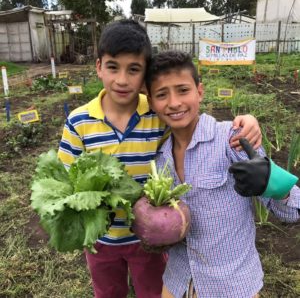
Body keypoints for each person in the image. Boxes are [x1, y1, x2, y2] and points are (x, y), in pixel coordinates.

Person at [57, 20, 263, 298]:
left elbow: (192, 123)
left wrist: (247, 121)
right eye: (113, 67)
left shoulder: (156, 114)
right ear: (98, 67)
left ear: (143, 81)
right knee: (107, 292)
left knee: (152, 291)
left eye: (133, 70)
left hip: (151, 236)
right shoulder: (78, 120)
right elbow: (66, 179)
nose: (122, 79)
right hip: (101, 238)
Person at [145, 50, 300, 298]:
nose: (174, 103)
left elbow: (292, 211)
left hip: (232, 285)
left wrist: (271, 182)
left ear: (200, 91)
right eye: (162, 95)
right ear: (152, 103)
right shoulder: (160, 156)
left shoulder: (232, 140)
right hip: (177, 281)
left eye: (183, 90)